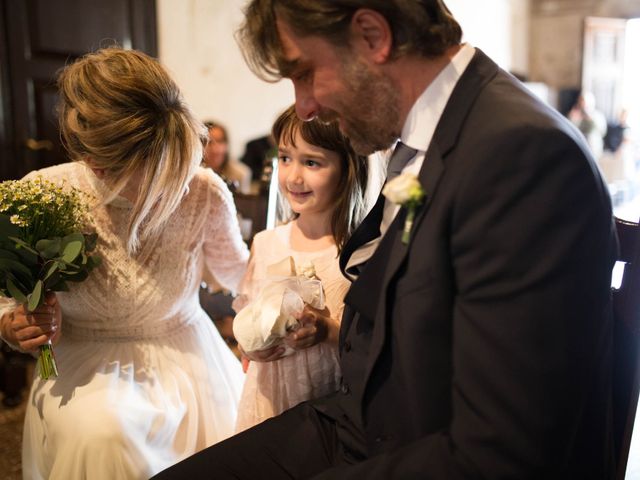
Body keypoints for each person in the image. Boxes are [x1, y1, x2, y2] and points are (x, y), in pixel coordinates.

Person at [153, 1, 617, 479]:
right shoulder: (420, 142)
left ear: (372, 36)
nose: (305, 105)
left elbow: (501, 450)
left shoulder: (522, 158)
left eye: (306, 72)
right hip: (353, 425)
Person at [0, 47, 250, 479]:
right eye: (90, 158)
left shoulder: (203, 191)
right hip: (85, 360)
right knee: (106, 437)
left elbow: (242, 276)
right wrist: (13, 325)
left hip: (188, 353)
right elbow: (8, 302)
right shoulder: (42, 195)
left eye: (112, 164)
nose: (96, 170)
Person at [233, 105, 368, 432]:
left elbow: (368, 346)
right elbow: (248, 322)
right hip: (266, 399)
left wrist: (326, 331)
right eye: (285, 158)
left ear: (346, 168)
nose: (293, 176)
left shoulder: (357, 255)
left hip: (326, 408)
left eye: (311, 162)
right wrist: (249, 345)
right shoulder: (266, 243)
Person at [203, 120, 253, 194]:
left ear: (227, 144)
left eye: (220, 141)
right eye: (209, 142)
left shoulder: (241, 174)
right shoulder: (191, 171)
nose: (216, 149)